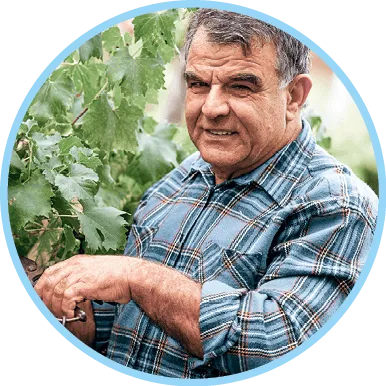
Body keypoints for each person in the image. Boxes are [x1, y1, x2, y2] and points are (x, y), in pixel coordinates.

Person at [35, 9, 378, 378]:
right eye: (198, 84)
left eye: (241, 86)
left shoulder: (337, 204)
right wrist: (67, 309)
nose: (211, 107)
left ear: (294, 96)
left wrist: (139, 277)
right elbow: (128, 324)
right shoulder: (178, 183)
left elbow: (280, 347)